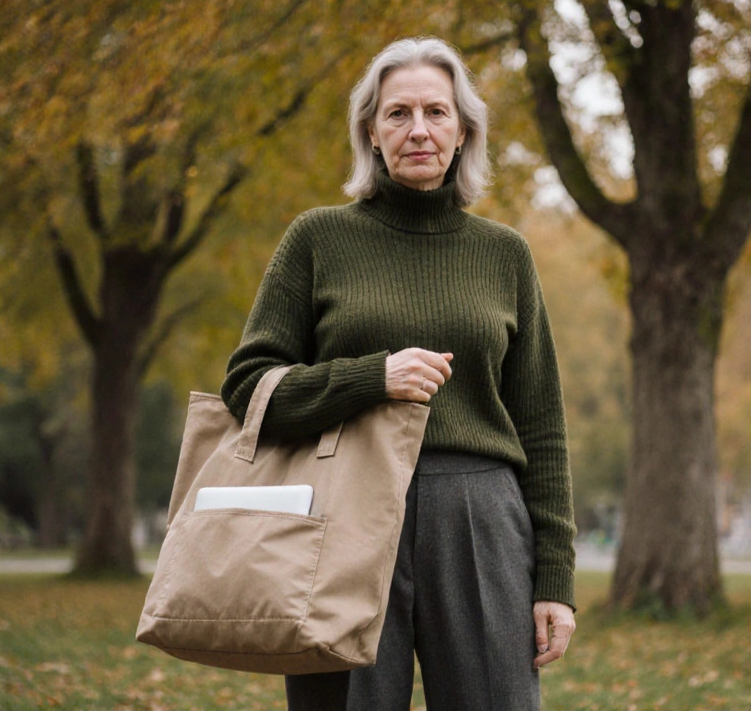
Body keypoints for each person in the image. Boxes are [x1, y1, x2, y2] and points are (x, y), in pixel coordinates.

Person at [220, 36, 577, 710]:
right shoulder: (317, 239)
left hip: (480, 518)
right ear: (371, 133)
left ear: (464, 131)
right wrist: (368, 379)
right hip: (342, 505)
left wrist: (555, 578)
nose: (419, 129)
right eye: (398, 113)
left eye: (437, 113)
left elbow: (542, 424)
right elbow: (248, 387)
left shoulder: (504, 254)